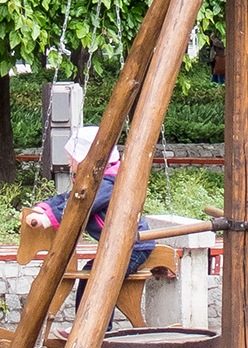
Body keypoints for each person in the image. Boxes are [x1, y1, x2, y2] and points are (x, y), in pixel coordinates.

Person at [26, 127, 153, 315]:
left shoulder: (108, 184)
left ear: (86, 159)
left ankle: (96, 328)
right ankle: (83, 323)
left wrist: (46, 219)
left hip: (133, 246)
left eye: (71, 159)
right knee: (90, 276)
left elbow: (82, 205)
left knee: (99, 281)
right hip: (117, 246)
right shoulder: (94, 182)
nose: (68, 163)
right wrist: (43, 207)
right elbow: (69, 198)